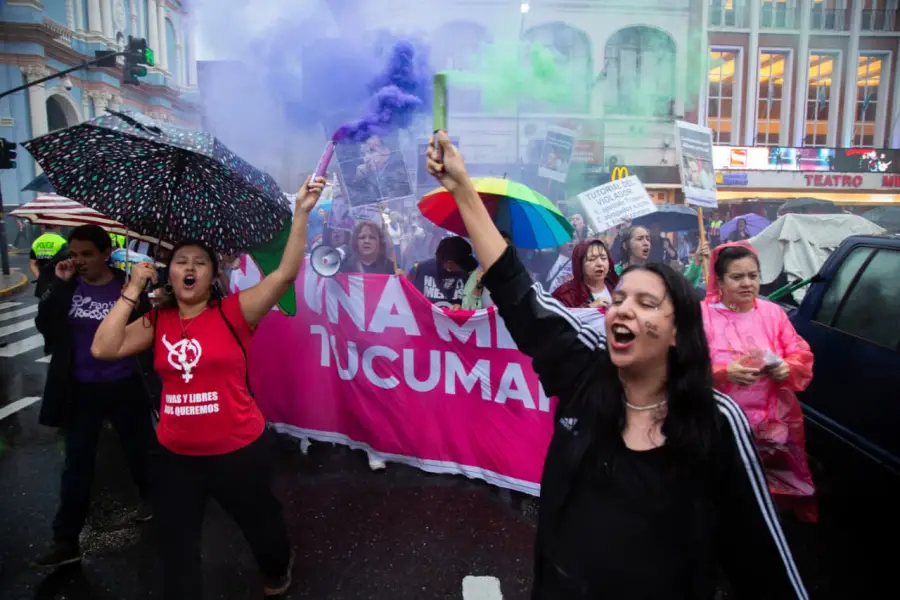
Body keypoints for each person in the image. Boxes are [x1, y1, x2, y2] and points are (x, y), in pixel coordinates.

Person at [425, 132, 808, 599]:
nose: (623, 310)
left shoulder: (715, 422)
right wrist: (463, 188)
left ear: (676, 332)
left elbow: (765, 566)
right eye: (620, 299)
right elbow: (517, 293)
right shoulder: (584, 378)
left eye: (646, 303)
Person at [91, 175, 328, 598]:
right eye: (181, 261)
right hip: (175, 458)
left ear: (212, 274)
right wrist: (133, 287)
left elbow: (285, 274)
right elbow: (105, 348)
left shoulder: (235, 312)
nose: (189, 268)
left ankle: (276, 570)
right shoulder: (158, 319)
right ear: (170, 270)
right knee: (178, 552)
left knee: (264, 532)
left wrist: (302, 213)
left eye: (200, 262)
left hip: (238, 452)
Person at [32, 225, 156, 568]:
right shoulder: (67, 284)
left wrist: (147, 289)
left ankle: (153, 501)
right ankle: (65, 540)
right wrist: (57, 283)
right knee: (77, 464)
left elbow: (149, 325)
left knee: (139, 450)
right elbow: (46, 325)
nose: (80, 261)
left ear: (105, 253)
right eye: (74, 253)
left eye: (87, 253)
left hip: (125, 385)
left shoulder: (126, 285)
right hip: (80, 389)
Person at [701, 242, 817, 522]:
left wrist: (786, 368)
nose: (747, 283)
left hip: (774, 421)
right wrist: (722, 372)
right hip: (723, 423)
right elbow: (682, 366)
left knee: (774, 493)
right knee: (726, 492)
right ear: (720, 280)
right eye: (737, 277)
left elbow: (800, 352)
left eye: (753, 276)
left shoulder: (772, 313)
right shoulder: (702, 315)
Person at [408, 236, 477, 309]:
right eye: (463, 264)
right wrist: (399, 280)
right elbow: (406, 290)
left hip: (457, 320)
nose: (465, 268)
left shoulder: (470, 273)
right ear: (450, 263)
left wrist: (462, 308)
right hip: (427, 319)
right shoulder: (419, 269)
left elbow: (474, 303)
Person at [551, 238, 618, 311]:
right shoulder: (565, 294)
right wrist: (589, 308)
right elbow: (558, 320)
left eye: (604, 258)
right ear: (580, 264)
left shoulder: (617, 285)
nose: (600, 263)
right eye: (592, 259)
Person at [462, 231, 513, 310]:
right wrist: (478, 287)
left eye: (504, 248)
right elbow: (466, 310)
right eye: (496, 247)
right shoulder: (477, 275)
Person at [30, 225, 67, 296]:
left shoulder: (36, 242)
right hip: (58, 281)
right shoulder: (62, 241)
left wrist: (40, 277)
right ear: (58, 227)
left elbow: (33, 264)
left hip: (43, 284)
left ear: (43, 227)